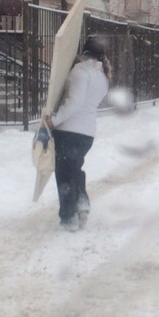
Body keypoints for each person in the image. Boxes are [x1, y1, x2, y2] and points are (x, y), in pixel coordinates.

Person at [45, 36, 111, 232]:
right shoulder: (102, 76)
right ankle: (82, 203)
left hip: (69, 131)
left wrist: (54, 120)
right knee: (74, 169)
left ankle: (69, 218)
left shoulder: (81, 71)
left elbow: (74, 103)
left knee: (65, 175)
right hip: (87, 134)